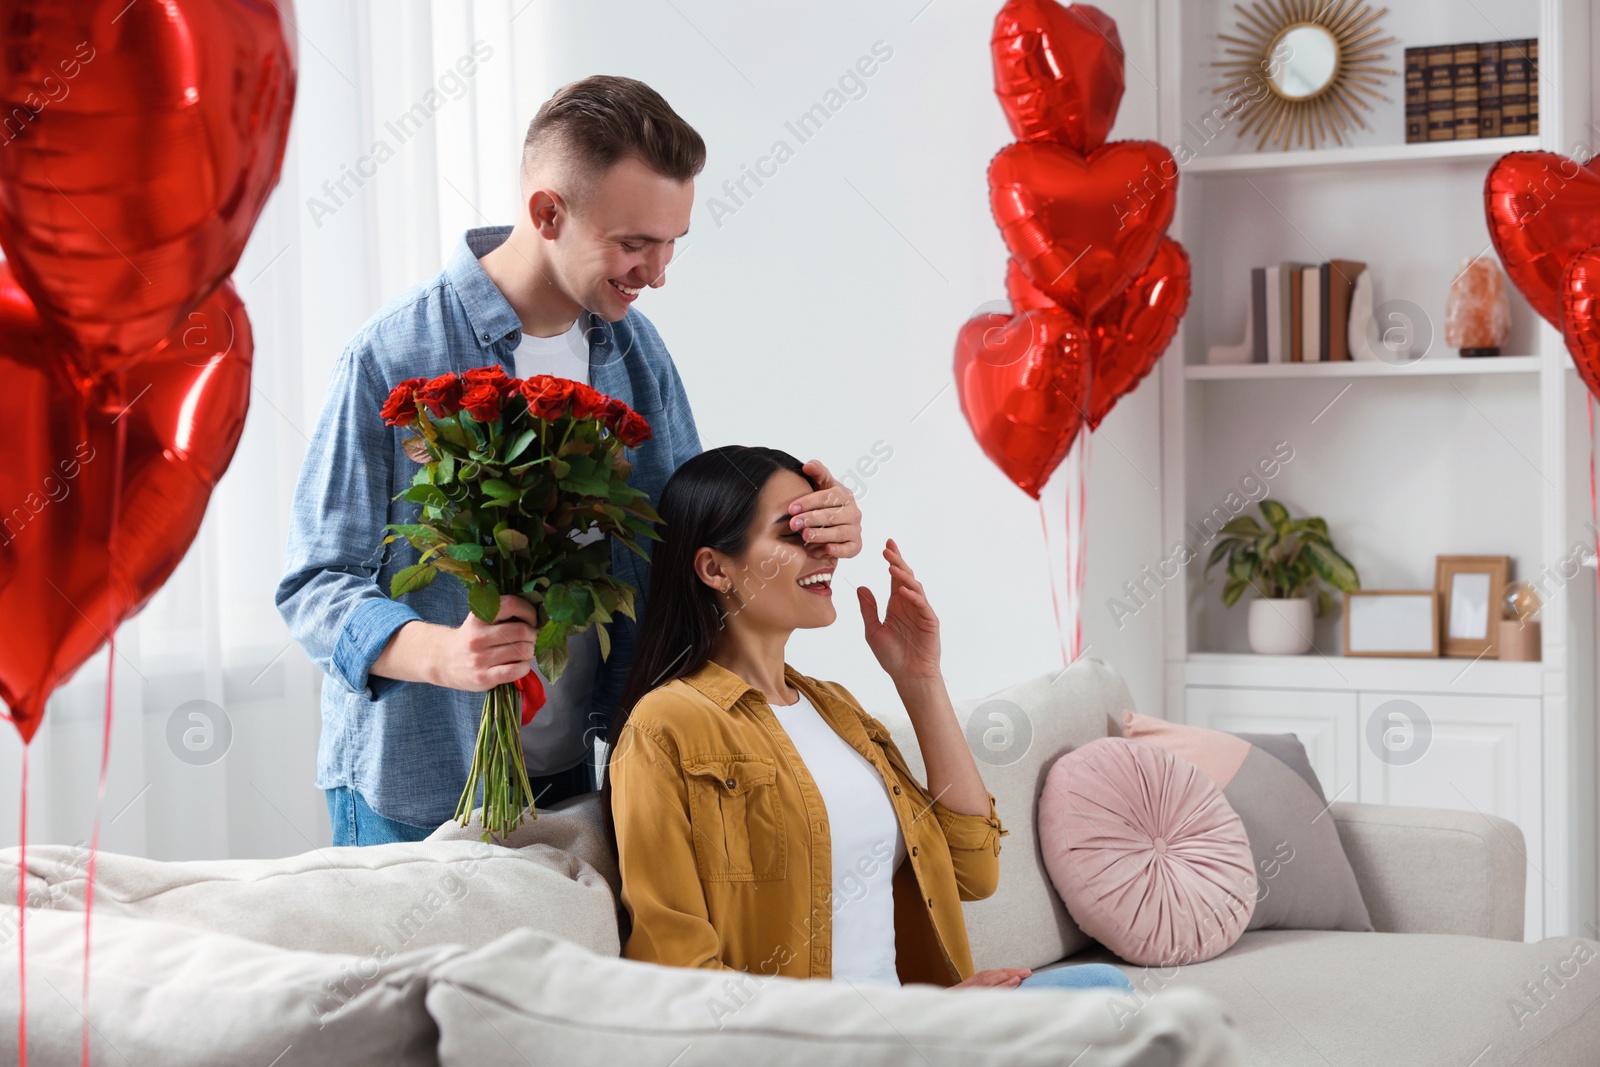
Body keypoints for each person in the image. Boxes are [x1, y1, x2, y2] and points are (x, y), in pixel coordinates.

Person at [276, 77, 863, 846]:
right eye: (634, 243)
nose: (658, 273)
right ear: (547, 213)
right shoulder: (390, 355)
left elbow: (689, 542)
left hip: (579, 772)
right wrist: (447, 655)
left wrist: (807, 522)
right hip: (420, 785)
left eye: (672, 242)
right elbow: (315, 583)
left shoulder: (637, 353)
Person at [606, 445, 1132, 993]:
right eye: (795, 534)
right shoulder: (665, 726)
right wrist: (908, 1022)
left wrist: (920, 680)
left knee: (1101, 990)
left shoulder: (834, 709)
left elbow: (974, 873)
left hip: (913, 1028)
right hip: (822, 1046)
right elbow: (676, 969)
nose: (827, 553)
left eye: (825, 534)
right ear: (716, 568)